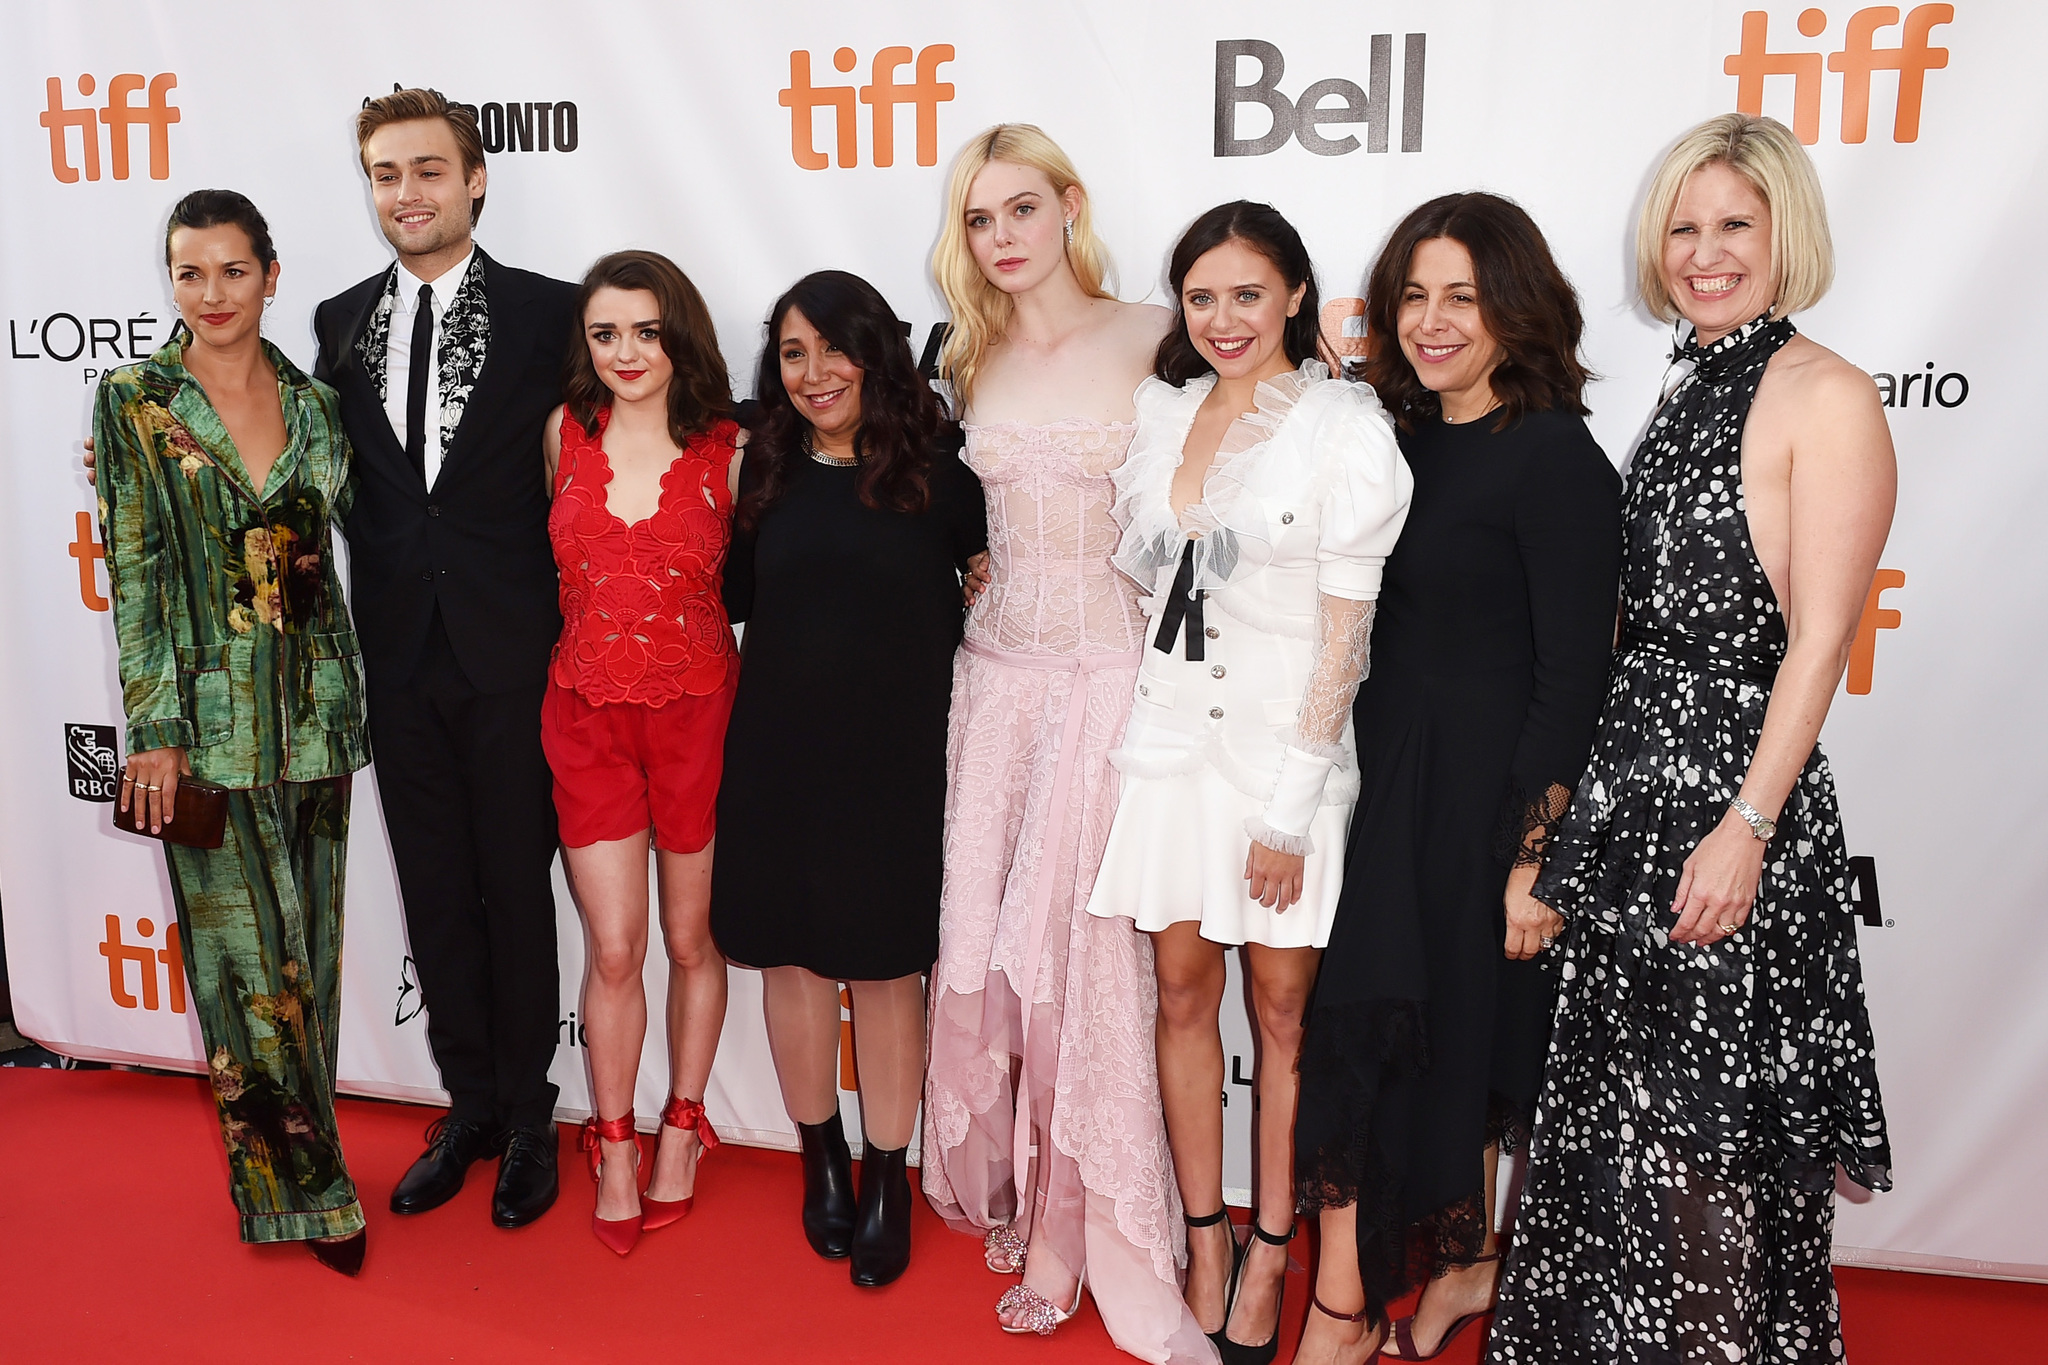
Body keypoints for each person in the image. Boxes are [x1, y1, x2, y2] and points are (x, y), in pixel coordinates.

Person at [1487, 112, 1895, 1363]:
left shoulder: (1823, 394)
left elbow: (1816, 644)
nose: (1704, 252)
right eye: (1682, 228)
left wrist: (1746, 830)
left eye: (1734, 225)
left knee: (1707, 1139)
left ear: (1787, 234)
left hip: (1725, 803)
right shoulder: (1693, 377)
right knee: (1619, 1131)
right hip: (1634, 792)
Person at [1287, 194, 1621, 1365]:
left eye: (1460, 298)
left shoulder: (1552, 456)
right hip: (1382, 776)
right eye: (1413, 296)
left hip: (1481, 800)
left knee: (1417, 1039)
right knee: (1417, 1040)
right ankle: (1464, 1259)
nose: (1430, 323)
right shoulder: (1390, 435)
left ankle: (1354, 1304)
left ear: (1511, 307)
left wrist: (1532, 857)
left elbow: (1576, 674)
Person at [1084, 202, 1411, 1365]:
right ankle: (1204, 1232)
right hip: (1169, 752)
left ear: (1293, 301)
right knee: (1179, 995)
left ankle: (1276, 1247)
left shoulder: (1341, 427)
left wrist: (1291, 804)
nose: (1223, 319)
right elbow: (1150, 588)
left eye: (1247, 295)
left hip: (1284, 764)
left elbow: (1344, 641)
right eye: (1202, 296)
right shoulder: (1161, 414)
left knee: (1281, 1015)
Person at [918, 125, 1216, 1362]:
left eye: (1022, 209)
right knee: (993, 955)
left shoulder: (1156, 335)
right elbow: (944, 508)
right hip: (992, 689)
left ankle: (1073, 1230)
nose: (1002, 238)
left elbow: (1218, 507)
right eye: (981, 219)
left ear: (1070, 206)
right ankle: (1027, 1185)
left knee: (1083, 970)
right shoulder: (962, 353)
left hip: (1109, 690)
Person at [312, 89, 577, 1230]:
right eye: (384, 174)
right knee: (433, 892)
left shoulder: (553, 316)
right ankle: (467, 1104)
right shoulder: (334, 321)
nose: (404, 194)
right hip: (397, 658)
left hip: (516, 654)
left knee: (516, 891)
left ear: (476, 179)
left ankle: (529, 1116)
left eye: (427, 170)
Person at [96, 190, 371, 1274]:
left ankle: (314, 1166)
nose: (209, 295)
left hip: (319, 719)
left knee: (313, 966)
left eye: (231, 272)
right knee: (241, 974)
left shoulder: (317, 404)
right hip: (203, 735)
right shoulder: (138, 400)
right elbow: (137, 572)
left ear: (271, 275)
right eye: (188, 273)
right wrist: (154, 729)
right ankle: (306, 1200)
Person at [712, 270, 988, 1288]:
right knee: (792, 964)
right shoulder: (764, 474)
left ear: (878, 354)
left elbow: (999, 589)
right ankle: (818, 1157)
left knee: (883, 972)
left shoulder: (943, 472)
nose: (815, 373)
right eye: (792, 353)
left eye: (834, 349)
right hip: (778, 755)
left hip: (896, 763)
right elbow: (732, 602)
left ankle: (885, 1173)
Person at [539, 251, 737, 1256]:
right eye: (604, 332)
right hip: (584, 720)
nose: (623, 352)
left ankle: (685, 1124)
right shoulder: (561, 435)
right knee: (614, 950)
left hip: (697, 718)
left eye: (645, 331)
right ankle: (611, 1139)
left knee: (693, 943)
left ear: (679, 336)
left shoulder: (730, 449)